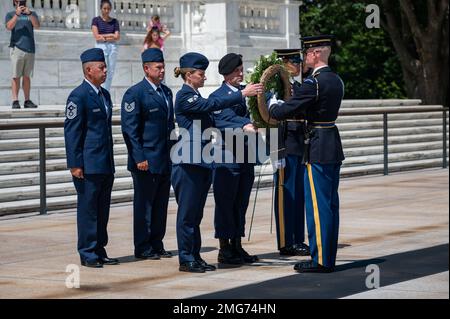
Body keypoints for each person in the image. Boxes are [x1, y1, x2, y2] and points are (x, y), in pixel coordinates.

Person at [171, 52, 263, 273]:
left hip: (202, 160)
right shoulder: (185, 96)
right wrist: (241, 94)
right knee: (187, 213)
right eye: (201, 74)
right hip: (188, 161)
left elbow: (214, 113)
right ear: (188, 75)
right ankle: (186, 257)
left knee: (196, 213)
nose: (204, 77)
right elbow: (211, 105)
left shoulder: (196, 95)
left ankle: (195, 255)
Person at [269, 35, 345, 273]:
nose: (304, 58)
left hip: (317, 147)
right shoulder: (336, 80)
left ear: (315, 54)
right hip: (332, 141)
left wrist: (271, 103)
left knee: (318, 205)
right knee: (331, 204)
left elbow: (285, 110)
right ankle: (327, 255)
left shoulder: (315, 83)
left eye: (307, 53)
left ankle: (321, 259)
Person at [64, 48, 118, 268]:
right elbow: (72, 132)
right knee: (88, 210)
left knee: (102, 210)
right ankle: (87, 252)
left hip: (105, 162)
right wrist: (75, 163)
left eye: (105, 67)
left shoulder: (104, 94)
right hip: (88, 163)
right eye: (102, 68)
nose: (105, 71)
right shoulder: (78, 96)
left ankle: (99, 248)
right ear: (88, 70)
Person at [121, 48, 174, 260]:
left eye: (163, 67)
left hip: (164, 158)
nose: (162, 71)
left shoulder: (166, 92)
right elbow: (130, 129)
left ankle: (156, 243)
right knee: (145, 206)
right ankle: (142, 246)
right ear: (146, 68)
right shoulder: (135, 93)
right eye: (158, 68)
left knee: (161, 205)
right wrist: (139, 157)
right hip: (145, 160)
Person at [210, 53, 259, 265]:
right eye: (237, 70)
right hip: (226, 157)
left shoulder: (244, 92)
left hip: (245, 155)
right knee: (225, 203)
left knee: (241, 202)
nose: (241, 73)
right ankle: (224, 248)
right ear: (227, 73)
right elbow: (222, 120)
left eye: (241, 69)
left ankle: (237, 244)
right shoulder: (218, 96)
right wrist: (244, 124)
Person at [272, 49, 310, 257]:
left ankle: (297, 239)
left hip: (299, 145)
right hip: (285, 145)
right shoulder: (276, 88)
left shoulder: (297, 87)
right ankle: (286, 242)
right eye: (294, 61)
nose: (298, 64)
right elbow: (272, 119)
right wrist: (276, 151)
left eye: (299, 60)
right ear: (284, 63)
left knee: (298, 195)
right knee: (286, 195)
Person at [5, 0, 40, 109]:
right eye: (20, 1)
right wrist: (17, 14)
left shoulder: (32, 13)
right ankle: (15, 100)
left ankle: (27, 100)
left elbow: (37, 26)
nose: (22, 2)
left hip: (30, 49)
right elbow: (9, 26)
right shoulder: (10, 14)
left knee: (27, 76)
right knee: (16, 76)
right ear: (15, 2)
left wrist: (29, 14)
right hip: (17, 48)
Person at [91, 0, 120, 92]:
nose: (106, 11)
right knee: (101, 71)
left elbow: (117, 37)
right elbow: (96, 36)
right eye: (104, 8)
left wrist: (104, 36)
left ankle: (106, 94)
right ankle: (101, 94)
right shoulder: (96, 20)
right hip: (101, 47)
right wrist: (111, 35)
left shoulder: (114, 21)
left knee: (110, 72)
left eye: (108, 9)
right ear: (101, 9)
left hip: (112, 47)